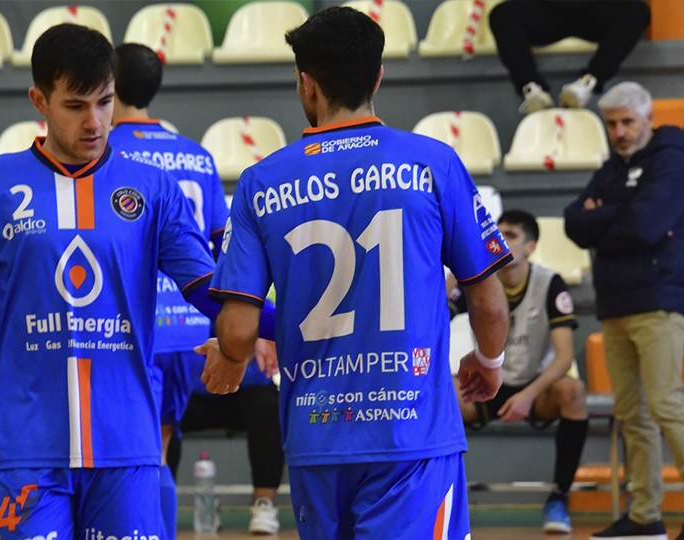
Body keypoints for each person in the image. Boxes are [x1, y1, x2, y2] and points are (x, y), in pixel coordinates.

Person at [0, 25, 273, 540]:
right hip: (30, 451)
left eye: (104, 101)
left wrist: (285, 325)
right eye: (76, 105)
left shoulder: (153, 188)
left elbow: (207, 291)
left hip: (128, 444)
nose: (95, 121)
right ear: (40, 100)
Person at [197, 6, 511, 538]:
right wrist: (488, 360)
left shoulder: (259, 181)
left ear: (306, 84)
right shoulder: (433, 162)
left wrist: (229, 356)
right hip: (411, 435)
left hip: (316, 440)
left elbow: (239, 329)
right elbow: (489, 300)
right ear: (379, 76)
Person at [109, 43, 282, 536]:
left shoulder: (104, 153)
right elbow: (222, 250)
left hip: (129, 328)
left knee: (137, 457)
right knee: (158, 446)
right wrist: (256, 325)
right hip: (191, 324)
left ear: (110, 84)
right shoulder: (197, 156)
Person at [564, 81, 684, 540]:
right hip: (616, 304)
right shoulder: (613, 169)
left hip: (658, 300)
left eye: (627, 122)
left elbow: (645, 227)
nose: (619, 131)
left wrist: (606, 215)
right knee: (633, 414)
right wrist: (618, 211)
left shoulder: (671, 160)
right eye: (611, 123)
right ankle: (644, 516)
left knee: (667, 405)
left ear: (648, 119)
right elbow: (574, 223)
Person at [448, 209, 586, 534]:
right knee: (438, 394)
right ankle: (446, 497)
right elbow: (436, 317)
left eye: (510, 235)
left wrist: (526, 396)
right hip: (488, 383)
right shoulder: (480, 280)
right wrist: (451, 279)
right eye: (498, 233)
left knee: (574, 393)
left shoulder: (549, 282)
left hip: (535, 388)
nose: (500, 240)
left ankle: (559, 498)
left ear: (530, 247)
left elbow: (565, 357)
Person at [165, 356, 286, 535]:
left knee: (271, 409)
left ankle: (264, 504)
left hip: (248, 386)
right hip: (192, 390)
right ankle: (162, 504)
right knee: (163, 413)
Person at [488, 0, 650, 114]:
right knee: (501, 14)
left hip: (594, 9)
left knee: (637, 10)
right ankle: (531, 89)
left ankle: (589, 82)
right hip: (547, 10)